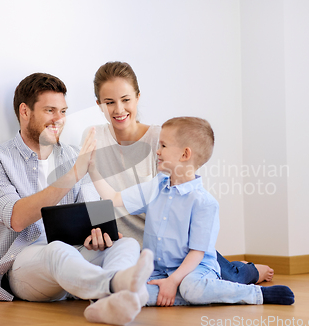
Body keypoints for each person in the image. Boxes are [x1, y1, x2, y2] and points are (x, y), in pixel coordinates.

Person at [0, 72, 154, 326]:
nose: (59, 119)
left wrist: (100, 235)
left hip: (73, 263)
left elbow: (95, 213)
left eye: (63, 111)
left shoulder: (73, 156)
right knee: (56, 249)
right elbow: (17, 218)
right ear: (25, 112)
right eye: (50, 110)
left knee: (128, 245)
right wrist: (74, 174)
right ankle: (116, 287)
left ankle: (107, 303)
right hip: (22, 268)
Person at [82, 61, 274, 284]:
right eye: (109, 102)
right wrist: (100, 232)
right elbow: (93, 192)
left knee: (226, 276)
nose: (119, 109)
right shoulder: (93, 136)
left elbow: (176, 200)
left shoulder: (160, 140)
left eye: (126, 100)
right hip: (124, 244)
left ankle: (247, 270)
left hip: (173, 244)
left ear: (137, 97)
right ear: (98, 104)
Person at [88, 117, 295, 306]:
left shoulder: (204, 203)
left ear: (185, 154)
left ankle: (255, 294)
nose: (157, 151)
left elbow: (197, 253)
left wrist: (175, 280)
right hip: (158, 269)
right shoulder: (155, 187)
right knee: (133, 291)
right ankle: (178, 293)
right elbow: (114, 198)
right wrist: (91, 168)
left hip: (195, 269)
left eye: (163, 145)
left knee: (191, 288)